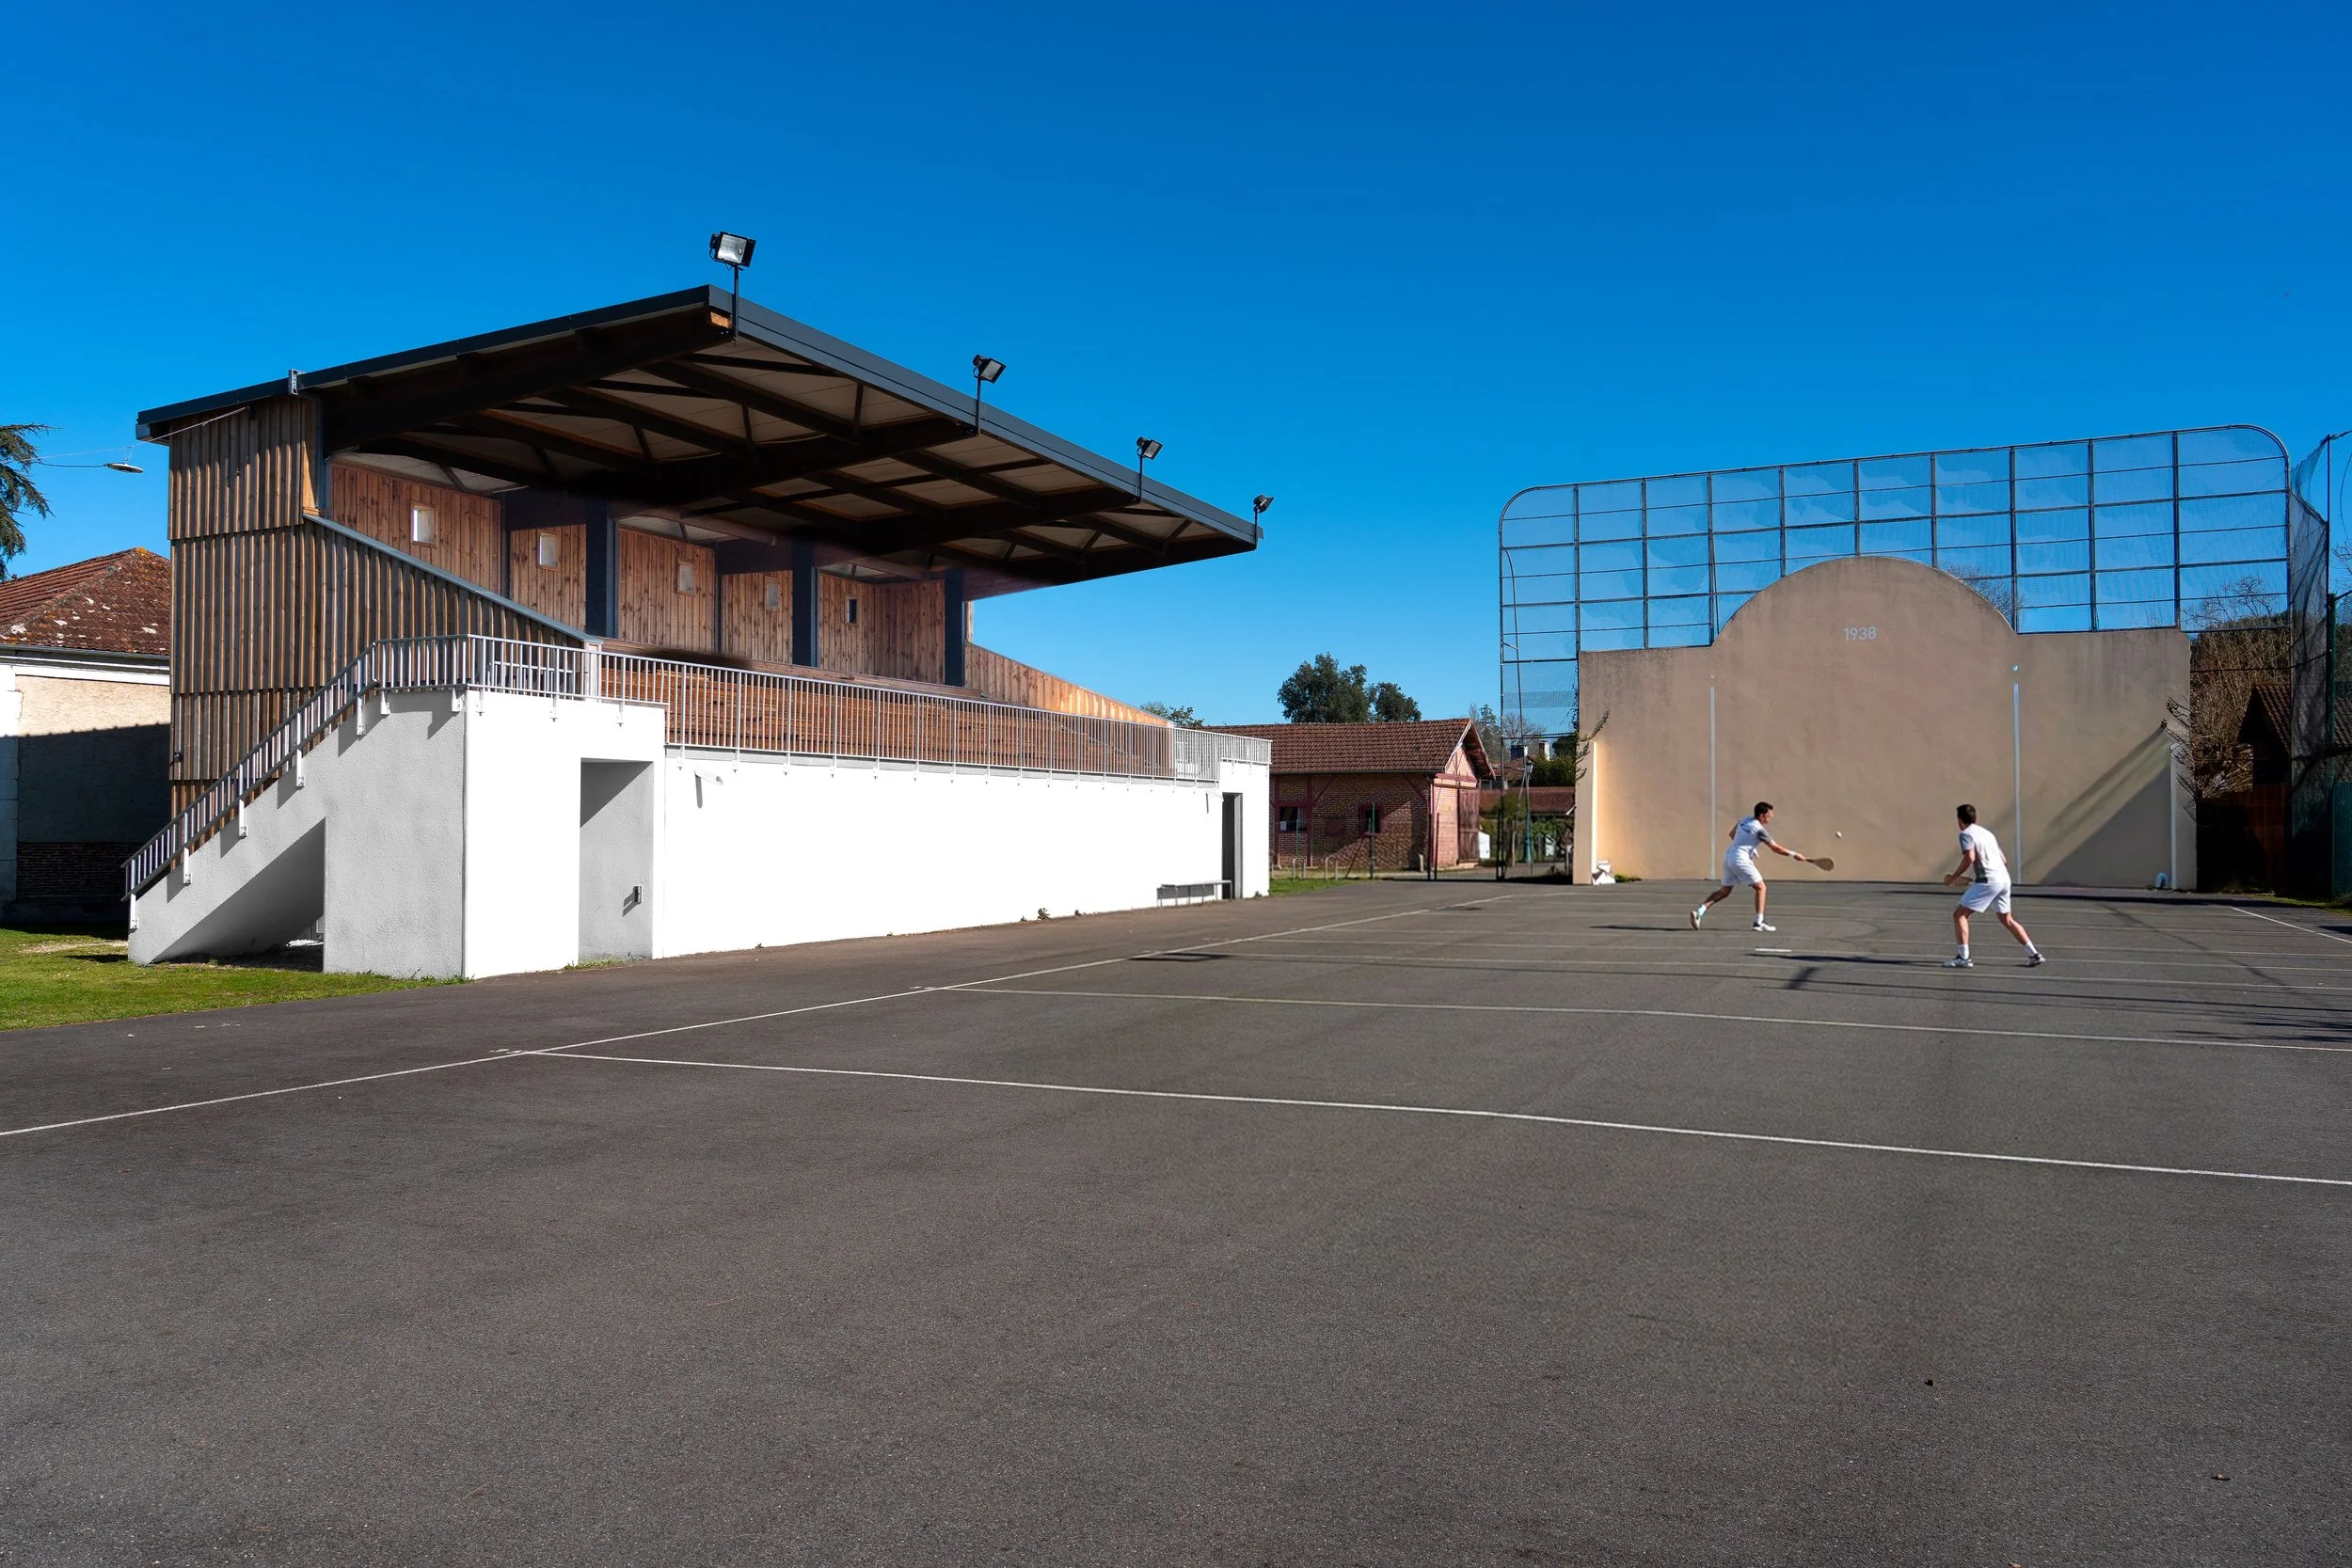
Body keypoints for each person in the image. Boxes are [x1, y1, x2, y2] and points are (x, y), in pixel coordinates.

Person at [1941, 802, 2044, 968]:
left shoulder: (1966, 834)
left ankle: (1964, 958)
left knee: (1960, 914)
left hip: (1989, 881)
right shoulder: (1987, 833)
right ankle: (2034, 954)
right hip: (2003, 879)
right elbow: (2003, 859)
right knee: (2007, 919)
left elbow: (1970, 858)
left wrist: (1954, 877)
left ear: (1959, 820)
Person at [1692, 801, 1808, 933]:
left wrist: (1750, 848)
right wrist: (1794, 854)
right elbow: (1775, 848)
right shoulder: (1759, 830)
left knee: (1725, 891)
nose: (1772, 816)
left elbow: (1732, 834)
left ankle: (1699, 912)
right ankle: (1759, 922)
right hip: (1740, 859)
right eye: (1769, 814)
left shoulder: (1744, 820)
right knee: (1761, 887)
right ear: (1762, 815)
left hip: (1729, 856)